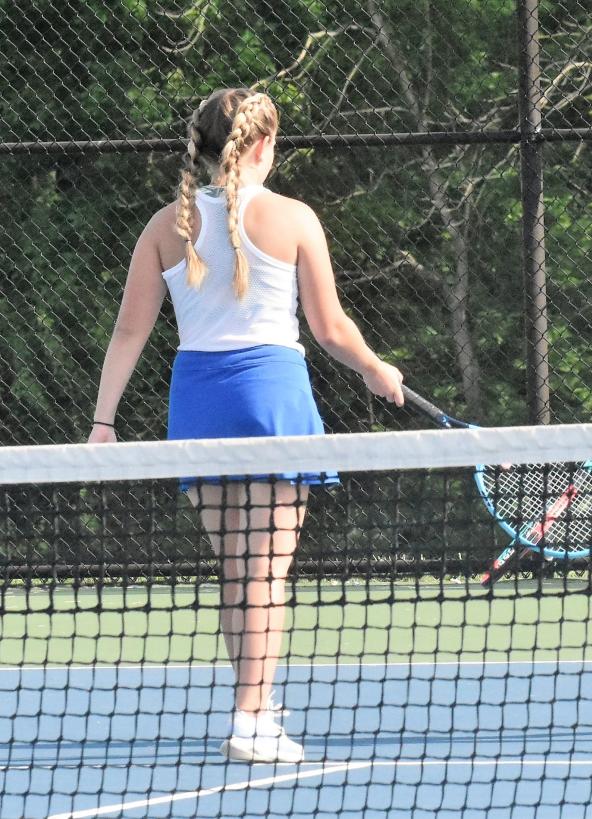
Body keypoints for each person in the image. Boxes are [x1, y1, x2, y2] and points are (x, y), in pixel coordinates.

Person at [88, 88, 404, 763]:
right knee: (266, 573)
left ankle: (251, 698)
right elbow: (330, 329)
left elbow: (128, 331)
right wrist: (376, 368)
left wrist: (103, 420)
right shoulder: (294, 218)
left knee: (238, 568)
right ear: (262, 146)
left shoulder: (160, 227)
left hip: (197, 405)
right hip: (270, 398)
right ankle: (253, 713)